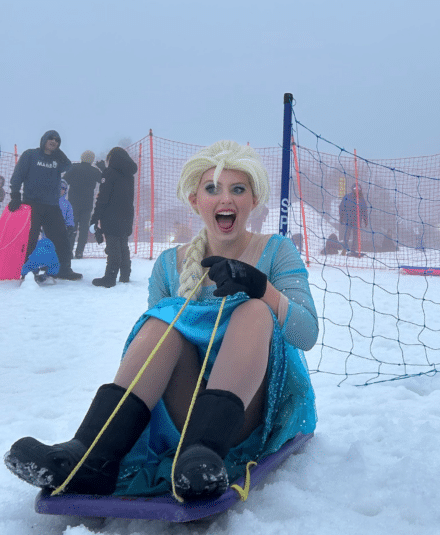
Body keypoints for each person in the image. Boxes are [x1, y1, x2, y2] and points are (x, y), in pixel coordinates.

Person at [4, 140, 319, 502]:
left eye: (238, 189)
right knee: (163, 322)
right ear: (195, 200)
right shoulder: (170, 264)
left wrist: (263, 289)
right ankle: (93, 454)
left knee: (254, 311)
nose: (225, 199)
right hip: (184, 411)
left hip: (246, 415)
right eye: (212, 189)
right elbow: (154, 355)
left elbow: (306, 333)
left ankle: (207, 451)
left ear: (254, 199)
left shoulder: (276, 251)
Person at [7, 130, 81, 280]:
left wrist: (60, 153)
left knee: (61, 238)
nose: (54, 141)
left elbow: (68, 166)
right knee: (30, 238)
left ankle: (64, 269)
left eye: (57, 140)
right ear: (44, 140)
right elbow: (18, 174)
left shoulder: (57, 159)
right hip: (32, 203)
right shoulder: (30, 155)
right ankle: (27, 270)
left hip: (52, 205)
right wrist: (15, 194)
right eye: (51, 138)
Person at [90, 147, 137, 287]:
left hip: (111, 215)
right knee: (123, 246)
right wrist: (104, 170)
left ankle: (110, 277)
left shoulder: (110, 173)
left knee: (113, 248)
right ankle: (125, 275)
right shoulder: (129, 175)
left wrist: (95, 218)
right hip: (126, 215)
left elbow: (103, 197)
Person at [64, 150, 103, 259]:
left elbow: (64, 181)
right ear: (92, 160)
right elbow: (104, 180)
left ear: (82, 157)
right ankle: (79, 251)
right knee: (84, 229)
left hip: (73, 203)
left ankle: (69, 251)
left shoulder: (74, 168)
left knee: (71, 227)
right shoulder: (94, 171)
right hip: (87, 204)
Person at [338, 184, 368, 256]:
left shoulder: (361, 199)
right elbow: (342, 207)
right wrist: (341, 217)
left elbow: (364, 210)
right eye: (355, 188)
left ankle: (353, 250)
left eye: (358, 188)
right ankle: (344, 248)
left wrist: (365, 220)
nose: (356, 190)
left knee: (356, 236)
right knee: (347, 235)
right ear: (352, 189)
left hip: (357, 221)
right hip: (348, 220)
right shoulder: (347, 197)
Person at [59, 180, 75, 250]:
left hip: (62, 228)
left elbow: (69, 216)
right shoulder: (49, 201)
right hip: (48, 228)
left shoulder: (67, 204)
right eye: (59, 187)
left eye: (63, 188)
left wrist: (70, 226)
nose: (60, 190)